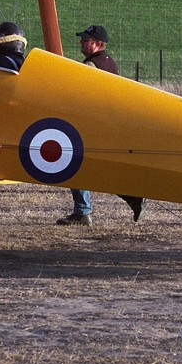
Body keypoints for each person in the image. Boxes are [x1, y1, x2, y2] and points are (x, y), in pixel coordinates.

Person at [56, 25, 118, 226]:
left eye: (86, 40)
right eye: (82, 39)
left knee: (74, 164)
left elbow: (81, 95)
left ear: (98, 44)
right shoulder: (111, 63)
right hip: (105, 121)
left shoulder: (91, 65)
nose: (81, 43)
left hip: (89, 122)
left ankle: (83, 211)